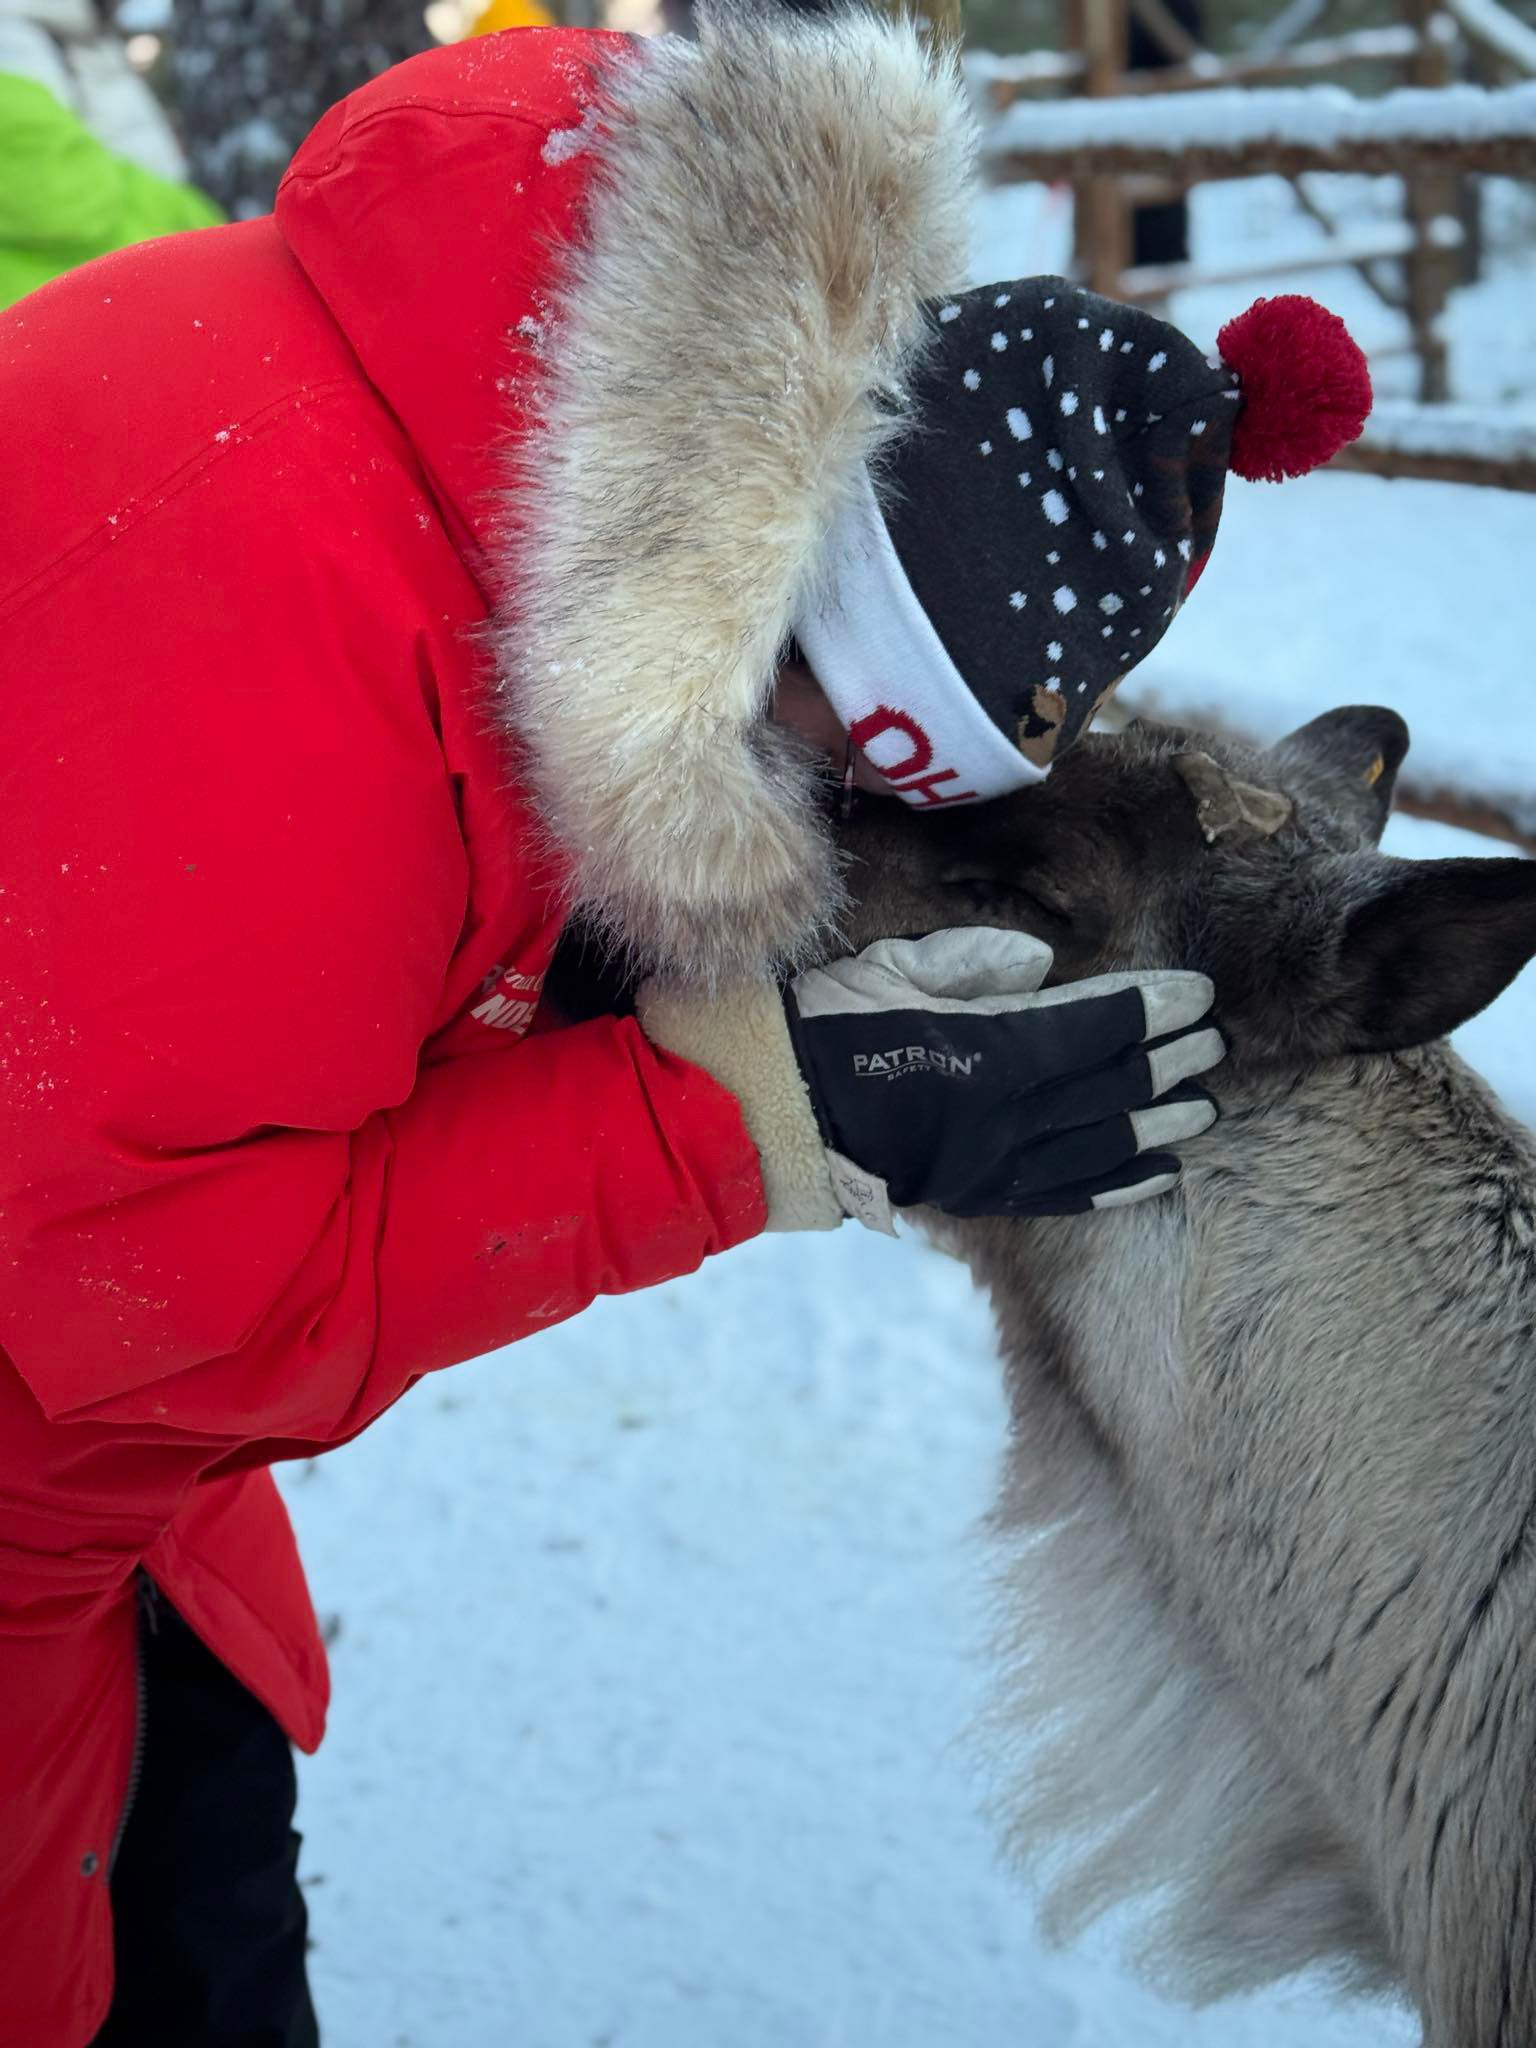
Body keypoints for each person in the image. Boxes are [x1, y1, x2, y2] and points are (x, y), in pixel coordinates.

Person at [0, 8, 1371, 2041]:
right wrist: (755, 1116)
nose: (816, 817)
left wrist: (602, 984)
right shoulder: (310, 690)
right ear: (790, 578)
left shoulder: (441, 418)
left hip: (118, 1562)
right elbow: (136, 1317)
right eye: (841, 754)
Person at [0, 0, 220, 307]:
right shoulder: (16, 39)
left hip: (129, 289)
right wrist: (192, 226)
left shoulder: (79, 35)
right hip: (98, 302)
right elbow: (55, 194)